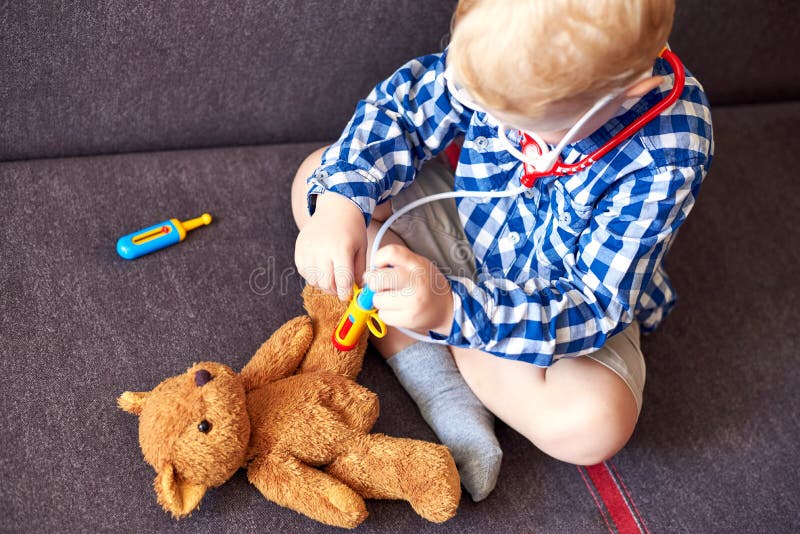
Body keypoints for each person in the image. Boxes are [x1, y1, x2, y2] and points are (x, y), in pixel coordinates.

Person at [290, 0, 713, 502]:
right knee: (317, 181)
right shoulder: (500, 40)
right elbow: (403, 112)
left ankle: (437, 345)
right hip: (466, 227)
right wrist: (342, 202)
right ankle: (440, 384)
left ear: (622, 94)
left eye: (524, 123)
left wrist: (451, 309)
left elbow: (592, 301)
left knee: (597, 422)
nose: (495, 125)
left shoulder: (667, 152)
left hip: (549, 304)